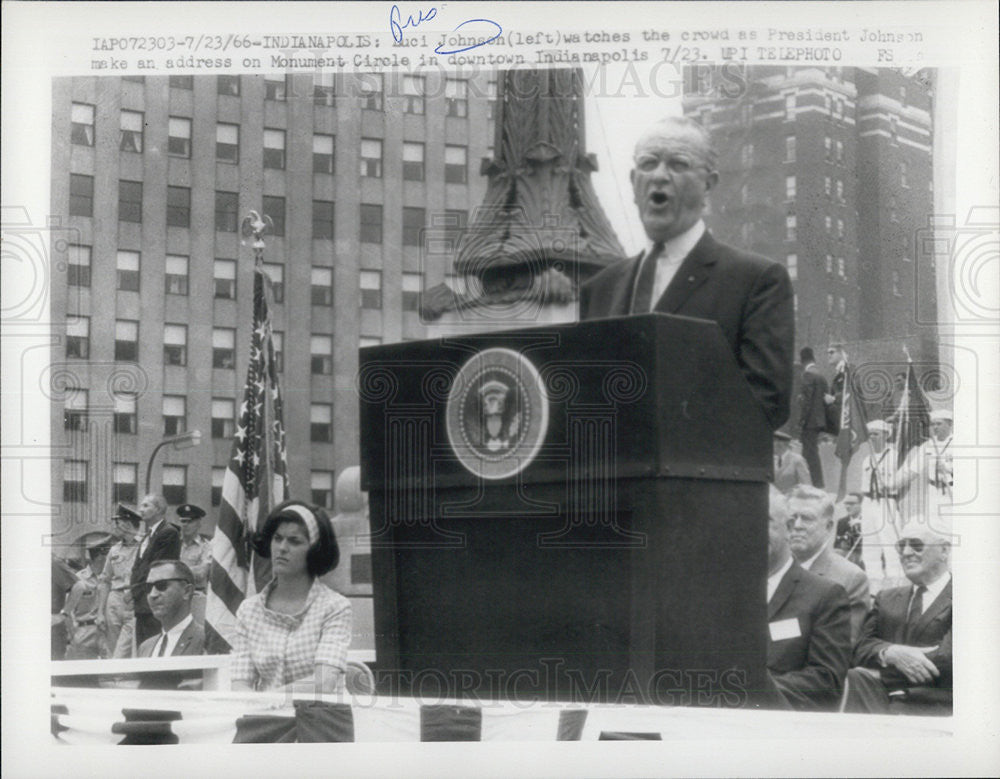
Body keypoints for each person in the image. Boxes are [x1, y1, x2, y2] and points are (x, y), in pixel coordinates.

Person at [578, 115, 794, 431]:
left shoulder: (756, 281)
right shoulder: (598, 290)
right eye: (648, 164)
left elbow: (766, 402)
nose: (659, 176)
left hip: (701, 476)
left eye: (678, 164)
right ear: (633, 179)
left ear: (709, 183)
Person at [231, 501, 352, 693]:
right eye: (277, 538)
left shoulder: (335, 607)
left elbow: (323, 683)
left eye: (294, 541)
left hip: (319, 717)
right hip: (264, 719)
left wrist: (267, 701)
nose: (282, 548)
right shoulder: (248, 610)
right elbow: (240, 682)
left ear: (314, 550)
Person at [845, 520, 952, 715]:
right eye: (901, 545)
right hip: (875, 706)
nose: (906, 552)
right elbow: (859, 648)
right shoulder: (886, 598)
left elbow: (949, 661)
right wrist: (891, 653)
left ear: (944, 551)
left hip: (936, 711)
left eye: (916, 545)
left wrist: (881, 670)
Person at [764, 486, 851, 711]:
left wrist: (755, 688)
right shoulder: (727, 592)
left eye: (763, 521)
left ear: (789, 529)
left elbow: (827, 680)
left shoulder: (825, 596)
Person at [786, 485, 870, 642]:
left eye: (807, 518)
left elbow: (839, 648)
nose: (797, 525)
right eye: (791, 519)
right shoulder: (768, 569)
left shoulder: (850, 579)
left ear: (829, 527)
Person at [129, 493, 182, 646]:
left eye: (146, 505)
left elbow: (157, 568)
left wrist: (136, 590)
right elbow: (137, 567)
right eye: (141, 505)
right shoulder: (149, 535)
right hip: (142, 603)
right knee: (143, 647)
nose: (141, 509)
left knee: (154, 646)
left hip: (156, 601)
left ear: (158, 509)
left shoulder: (168, 533)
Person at [892, 409, 953, 529]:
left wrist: (948, 469)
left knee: (951, 526)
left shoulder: (959, 443)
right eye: (933, 424)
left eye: (939, 423)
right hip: (932, 492)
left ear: (950, 424)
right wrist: (891, 484)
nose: (935, 427)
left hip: (951, 490)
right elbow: (911, 471)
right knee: (934, 528)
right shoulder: (928, 446)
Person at [860, 419, 903, 589]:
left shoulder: (895, 457)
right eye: (870, 435)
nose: (872, 438)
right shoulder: (867, 459)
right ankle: (873, 577)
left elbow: (902, 482)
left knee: (889, 540)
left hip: (887, 501)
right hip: (869, 501)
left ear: (886, 435)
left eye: (876, 434)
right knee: (869, 540)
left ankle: (895, 577)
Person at [96, 504, 142, 658]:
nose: (114, 526)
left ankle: (121, 677)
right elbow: (105, 581)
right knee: (112, 648)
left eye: (118, 522)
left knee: (125, 650)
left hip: (134, 600)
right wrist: (100, 612)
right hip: (114, 601)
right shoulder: (114, 549)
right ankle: (115, 680)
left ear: (128, 523)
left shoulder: (145, 546)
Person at [63, 534, 113, 659]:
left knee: (110, 673)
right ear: (101, 557)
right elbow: (67, 612)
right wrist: (74, 635)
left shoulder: (111, 579)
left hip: (107, 632)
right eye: (108, 557)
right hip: (84, 632)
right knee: (86, 674)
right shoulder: (79, 579)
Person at [797, 347, 828, 487]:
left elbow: (806, 401)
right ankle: (811, 482)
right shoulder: (821, 375)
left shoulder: (807, 374)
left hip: (809, 421)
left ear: (802, 360)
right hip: (818, 421)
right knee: (810, 452)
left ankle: (814, 484)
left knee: (810, 454)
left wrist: (801, 420)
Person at [176, 503, 211, 626]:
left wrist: (176, 571)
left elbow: (201, 573)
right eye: (182, 521)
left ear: (198, 523)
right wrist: (190, 571)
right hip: (175, 596)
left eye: (189, 521)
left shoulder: (206, 546)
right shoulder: (174, 544)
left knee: (197, 635)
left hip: (196, 596)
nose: (185, 525)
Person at [834, 492, 865, 569]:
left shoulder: (867, 521)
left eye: (852, 504)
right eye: (846, 503)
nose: (847, 506)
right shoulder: (842, 522)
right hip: (849, 558)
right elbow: (837, 545)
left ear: (861, 504)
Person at [824, 343, 849, 433]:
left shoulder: (847, 370)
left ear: (840, 354)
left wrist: (834, 398)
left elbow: (851, 392)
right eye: (828, 353)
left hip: (845, 418)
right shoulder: (839, 371)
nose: (829, 355)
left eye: (832, 352)